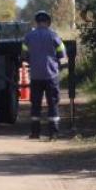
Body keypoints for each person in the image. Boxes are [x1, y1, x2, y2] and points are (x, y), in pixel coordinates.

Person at [23, 10, 66, 140]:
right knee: (53, 103)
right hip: (51, 75)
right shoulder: (54, 36)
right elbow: (62, 56)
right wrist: (61, 69)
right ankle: (53, 133)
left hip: (36, 76)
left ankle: (35, 133)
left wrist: (32, 62)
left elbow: (24, 56)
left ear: (37, 22)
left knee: (35, 104)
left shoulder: (28, 37)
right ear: (48, 22)